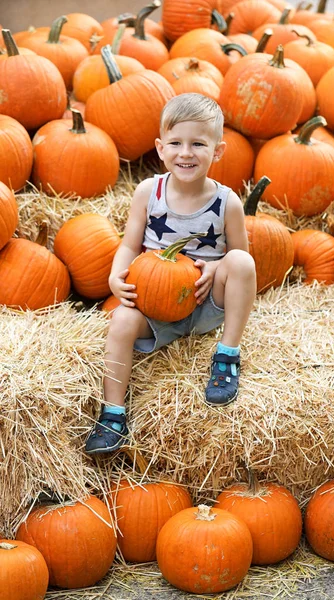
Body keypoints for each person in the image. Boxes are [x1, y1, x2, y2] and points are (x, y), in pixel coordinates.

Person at [85, 93, 256, 455]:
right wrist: (117, 276)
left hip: (205, 300)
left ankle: (227, 356)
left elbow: (239, 253)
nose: (186, 153)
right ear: (161, 149)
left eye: (198, 144)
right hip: (155, 304)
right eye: (176, 143)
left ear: (218, 151)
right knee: (120, 322)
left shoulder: (227, 203)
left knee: (242, 264)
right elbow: (131, 245)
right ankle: (113, 414)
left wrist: (214, 265)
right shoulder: (149, 192)